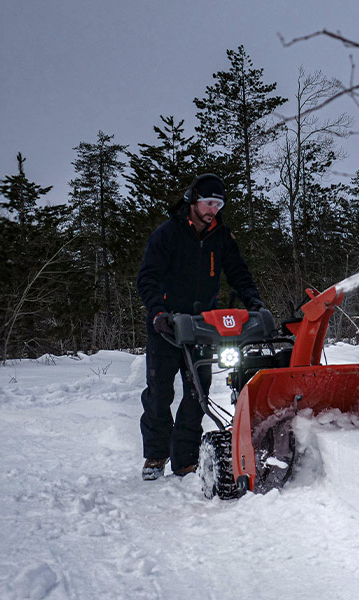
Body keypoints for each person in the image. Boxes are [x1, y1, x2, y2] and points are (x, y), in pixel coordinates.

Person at [135, 173, 263, 480]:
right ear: (193, 199)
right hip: (166, 326)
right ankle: (156, 456)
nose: (213, 210)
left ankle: (186, 460)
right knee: (159, 394)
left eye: (218, 204)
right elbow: (147, 277)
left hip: (203, 327)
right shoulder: (168, 234)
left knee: (197, 394)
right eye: (208, 202)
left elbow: (239, 273)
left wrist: (254, 303)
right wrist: (158, 313)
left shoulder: (222, 237)